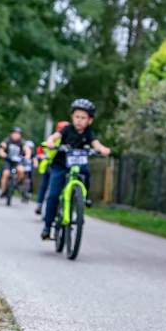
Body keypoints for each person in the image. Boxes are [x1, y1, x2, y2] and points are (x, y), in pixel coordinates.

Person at [41, 100, 111, 240]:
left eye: (83, 118)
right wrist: (50, 142)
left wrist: (102, 149)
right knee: (54, 194)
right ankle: (48, 226)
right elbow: (55, 136)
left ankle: (82, 199)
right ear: (72, 117)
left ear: (90, 120)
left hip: (79, 164)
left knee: (86, 174)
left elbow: (95, 143)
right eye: (77, 117)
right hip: (61, 164)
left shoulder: (89, 133)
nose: (79, 121)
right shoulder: (67, 129)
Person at [34, 121, 67, 215]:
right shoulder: (52, 140)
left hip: (63, 166)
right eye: (61, 129)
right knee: (44, 185)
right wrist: (41, 156)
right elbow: (40, 150)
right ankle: (39, 204)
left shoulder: (69, 139)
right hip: (49, 165)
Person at [0, 127, 31, 197]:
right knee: (5, 173)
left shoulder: (22, 142)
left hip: (18, 161)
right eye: (15, 133)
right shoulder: (7, 140)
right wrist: (2, 153)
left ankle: (17, 182)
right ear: (11, 134)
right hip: (8, 161)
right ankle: (3, 191)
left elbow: (27, 150)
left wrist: (27, 156)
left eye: (18, 134)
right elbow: (2, 147)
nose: (16, 135)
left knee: (21, 170)